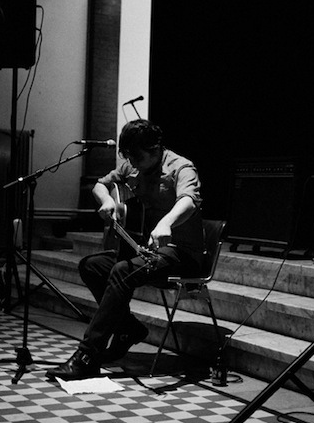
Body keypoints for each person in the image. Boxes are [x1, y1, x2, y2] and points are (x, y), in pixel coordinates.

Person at [47, 119, 204, 380]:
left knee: (121, 270)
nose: (131, 161)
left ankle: (87, 355)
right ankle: (129, 329)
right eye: (127, 156)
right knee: (92, 266)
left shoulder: (182, 167)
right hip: (148, 252)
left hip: (181, 254)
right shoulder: (132, 165)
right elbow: (100, 184)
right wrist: (107, 199)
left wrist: (167, 222)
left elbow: (189, 200)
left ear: (155, 150)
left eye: (136, 156)